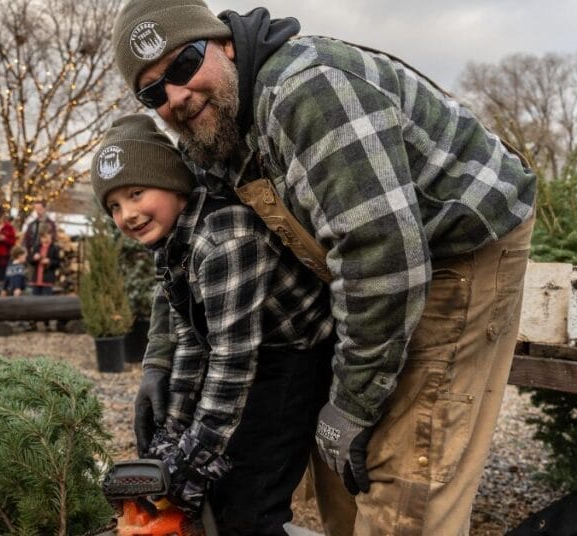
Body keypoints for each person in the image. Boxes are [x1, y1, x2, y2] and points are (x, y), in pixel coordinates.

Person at [112, 2, 537, 533]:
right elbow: (183, 262)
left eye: (182, 65)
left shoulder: (307, 89)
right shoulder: (211, 136)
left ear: (222, 44)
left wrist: (353, 407)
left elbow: (383, 258)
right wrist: (158, 361)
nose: (175, 96)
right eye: (153, 92)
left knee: (404, 480)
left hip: (457, 249)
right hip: (355, 268)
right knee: (340, 473)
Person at [92, 114, 333, 534]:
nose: (127, 214)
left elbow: (231, 360)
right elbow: (191, 338)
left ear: (171, 180)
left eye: (135, 193)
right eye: (114, 205)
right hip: (248, 353)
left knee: (251, 503)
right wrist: (173, 431)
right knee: (218, 490)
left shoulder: (224, 239)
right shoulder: (172, 243)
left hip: (295, 357)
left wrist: (195, 456)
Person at [27, 226, 59, 296]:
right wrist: (34, 258)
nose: (47, 240)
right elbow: (29, 260)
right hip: (36, 280)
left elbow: (58, 263)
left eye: (49, 238)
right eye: (44, 238)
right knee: (35, 302)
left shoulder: (54, 249)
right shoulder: (37, 247)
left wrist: (49, 261)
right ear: (41, 238)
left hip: (47, 280)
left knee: (46, 302)